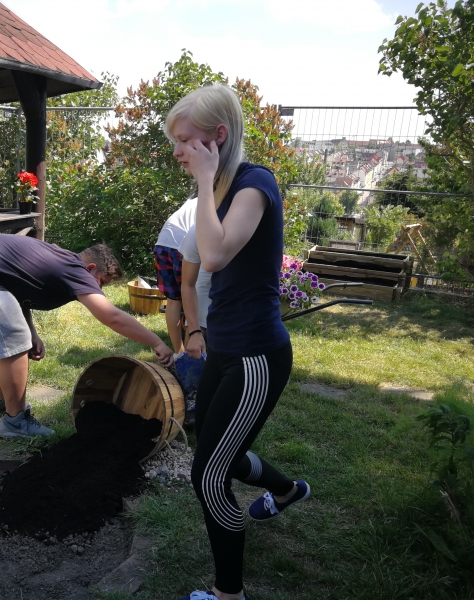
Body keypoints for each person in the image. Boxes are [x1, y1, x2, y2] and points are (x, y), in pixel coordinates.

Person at [166, 86, 310, 600]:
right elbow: (200, 264)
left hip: (255, 358)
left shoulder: (254, 184)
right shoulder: (224, 189)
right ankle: (287, 490)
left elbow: (215, 256)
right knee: (218, 450)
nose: (177, 152)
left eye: (186, 140)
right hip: (224, 352)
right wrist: (197, 332)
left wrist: (206, 182)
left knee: (208, 477)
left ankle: (229, 595)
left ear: (218, 137)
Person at [0, 234, 174, 438]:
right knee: (14, 342)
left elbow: (18, 290)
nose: (98, 289)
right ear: (91, 268)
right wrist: (156, 342)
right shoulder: (76, 270)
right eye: (101, 282)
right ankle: (15, 422)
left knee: (6, 338)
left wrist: (32, 332)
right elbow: (111, 316)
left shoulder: (63, 261)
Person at [154, 196, 197, 355]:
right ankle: (190, 356)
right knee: (191, 297)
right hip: (183, 246)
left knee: (173, 301)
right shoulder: (215, 199)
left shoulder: (193, 198)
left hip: (162, 244)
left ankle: (179, 353)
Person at [178, 223, 212, 359]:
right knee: (198, 321)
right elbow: (188, 284)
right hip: (204, 279)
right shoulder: (197, 232)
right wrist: (194, 331)